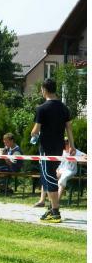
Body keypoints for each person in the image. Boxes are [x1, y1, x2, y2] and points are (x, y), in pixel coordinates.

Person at [31, 78, 76, 223]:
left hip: (46, 148)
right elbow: (69, 128)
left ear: (44, 90)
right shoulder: (64, 108)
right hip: (59, 148)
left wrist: (33, 134)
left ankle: (55, 212)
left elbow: (35, 131)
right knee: (50, 175)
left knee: (48, 177)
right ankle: (51, 209)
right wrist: (72, 146)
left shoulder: (41, 108)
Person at [34, 137, 84, 207]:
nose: (64, 144)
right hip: (60, 170)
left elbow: (85, 157)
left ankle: (55, 202)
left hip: (70, 170)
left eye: (66, 143)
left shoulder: (75, 151)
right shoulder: (61, 151)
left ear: (69, 143)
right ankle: (42, 201)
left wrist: (81, 159)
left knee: (62, 180)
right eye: (64, 143)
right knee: (47, 177)